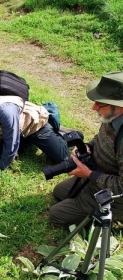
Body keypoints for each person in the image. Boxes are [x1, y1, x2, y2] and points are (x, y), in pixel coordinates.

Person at [49, 72, 123, 226]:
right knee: (59, 192)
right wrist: (88, 147)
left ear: (119, 107)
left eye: (100, 104)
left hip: (116, 194)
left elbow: (121, 186)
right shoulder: (112, 117)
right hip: (99, 177)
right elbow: (100, 138)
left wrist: (89, 174)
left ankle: (117, 217)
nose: (94, 107)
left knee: (56, 215)